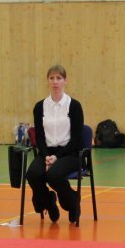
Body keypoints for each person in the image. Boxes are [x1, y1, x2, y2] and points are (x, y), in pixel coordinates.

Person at [26, 64, 84, 224]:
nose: (55, 82)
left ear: (65, 81)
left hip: (69, 153)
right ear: (47, 81)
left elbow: (76, 140)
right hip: (47, 152)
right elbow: (39, 137)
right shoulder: (40, 107)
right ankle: (48, 202)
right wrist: (46, 156)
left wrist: (56, 157)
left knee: (53, 175)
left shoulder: (74, 106)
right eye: (52, 78)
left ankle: (72, 203)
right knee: (33, 175)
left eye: (59, 78)